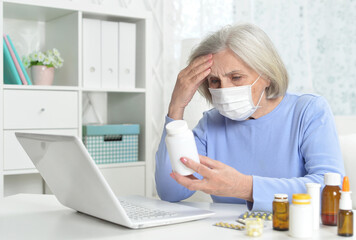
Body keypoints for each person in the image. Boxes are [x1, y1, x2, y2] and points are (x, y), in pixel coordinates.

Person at [155, 23, 345, 211]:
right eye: (215, 81)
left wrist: (245, 187)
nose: (225, 89)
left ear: (267, 75)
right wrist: (176, 108)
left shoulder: (308, 111)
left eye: (236, 77)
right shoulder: (211, 123)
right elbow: (171, 191)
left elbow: (329, 189)